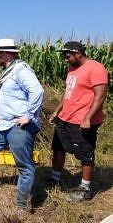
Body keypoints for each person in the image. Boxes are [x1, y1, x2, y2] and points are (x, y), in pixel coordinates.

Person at [0, 38, 44, 211]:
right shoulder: (7, 72)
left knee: (24, 166)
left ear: (6, 53)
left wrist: (29, 115)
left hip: (20, 125)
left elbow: (37, 91)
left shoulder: (21, 70)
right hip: (4, 123)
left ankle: (23, 206)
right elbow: (4, 99)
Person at [47, 41, 108, 201]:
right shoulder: (72, 69)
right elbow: (68, 93)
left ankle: (85, 189)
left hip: (82, 121)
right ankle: (55, 178)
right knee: (58, 148)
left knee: (85, 154)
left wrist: (87, 118)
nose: (65, 59)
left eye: (68, 56)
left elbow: (100, 96)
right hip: (65, 118)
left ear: (78, 53)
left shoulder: (96, 68)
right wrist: (57, 111)